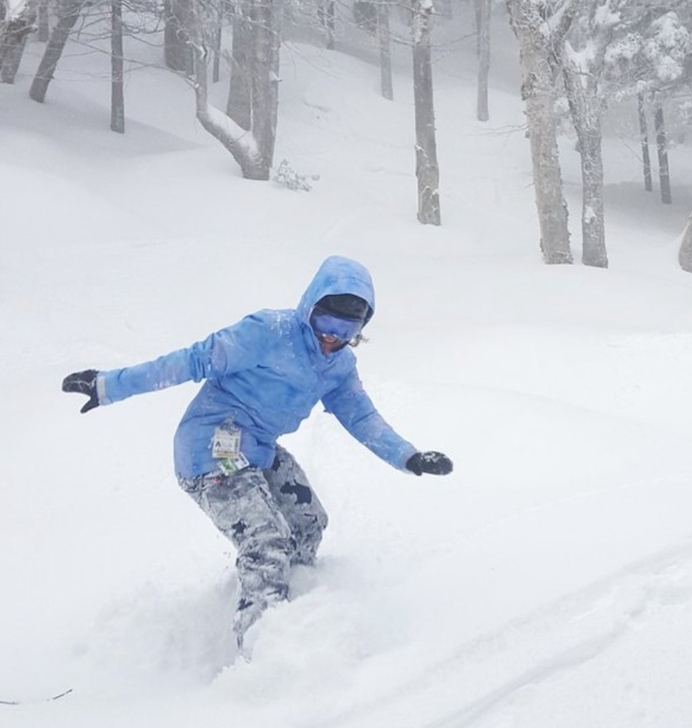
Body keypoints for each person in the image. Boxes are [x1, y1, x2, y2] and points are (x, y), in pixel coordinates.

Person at [61, 254, 452, 647]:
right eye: (325, 322)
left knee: (307, 522)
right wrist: (109, 385)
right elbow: (191, 360)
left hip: (258, 449)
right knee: (266, 541)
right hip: (207, 448)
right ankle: (263, 648)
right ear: (310, 307)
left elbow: (361, 416)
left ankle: (293, 608)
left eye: (346, 329)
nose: (332, 336)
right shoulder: (268, 332)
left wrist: (408, 456)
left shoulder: (339, 365)